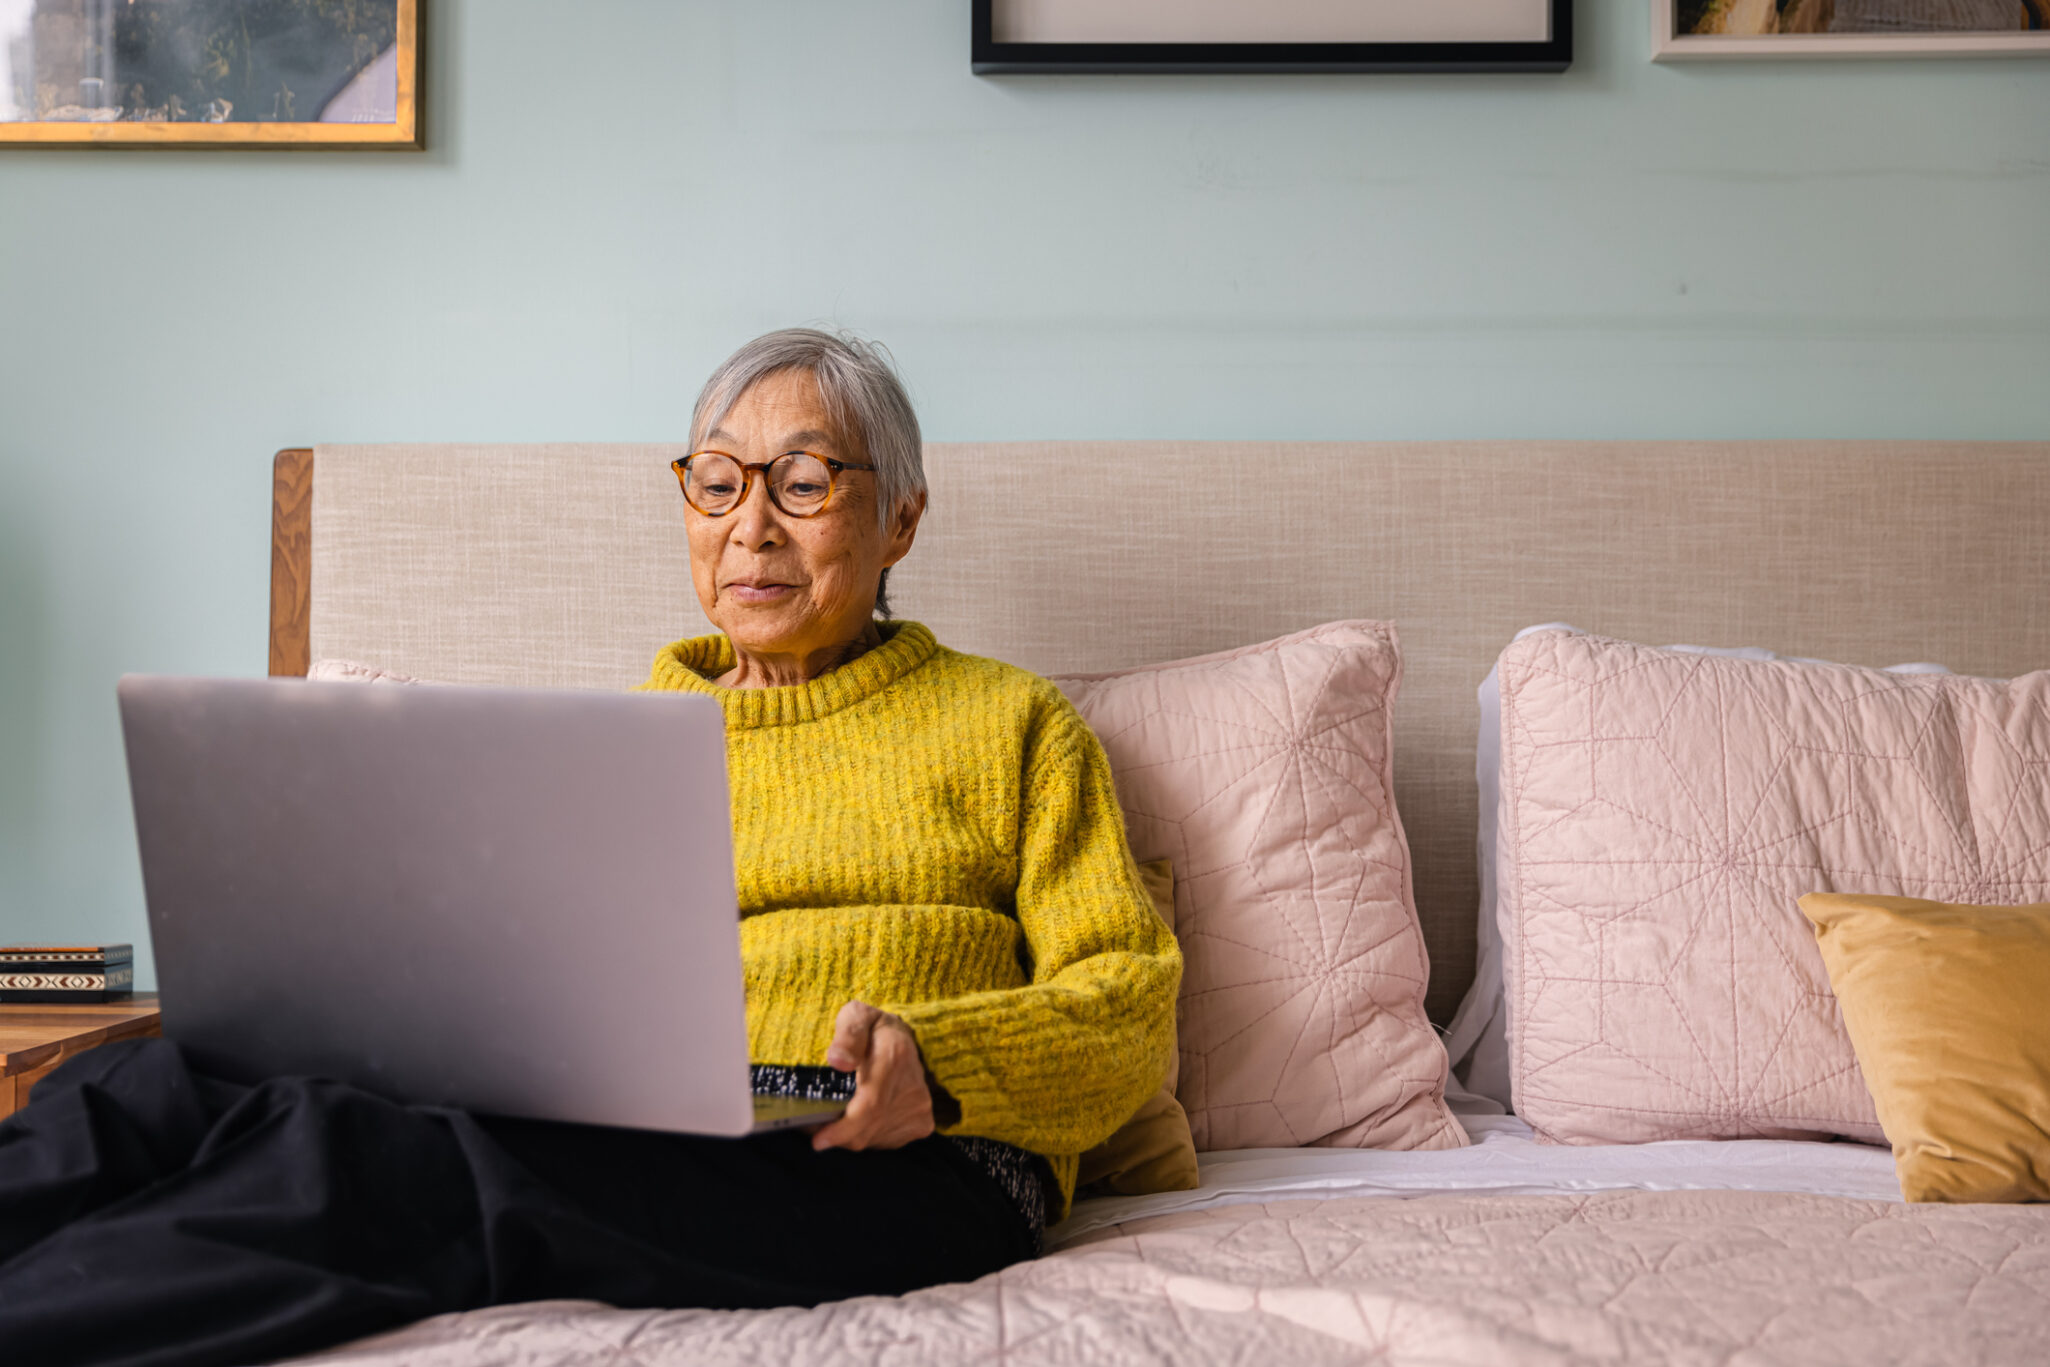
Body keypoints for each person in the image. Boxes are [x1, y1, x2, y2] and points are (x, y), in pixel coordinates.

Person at [0, 329, 1181, 1367]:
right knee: (138, 1081)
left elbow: (1131, 1005)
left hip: (897, 1159)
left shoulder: (1012, 722)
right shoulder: (615, 737)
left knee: (349, 1157)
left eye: (804, 482)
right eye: (716, 484)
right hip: (625, 1117)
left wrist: (940, 1061)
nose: (750, 527)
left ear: (901, 518)